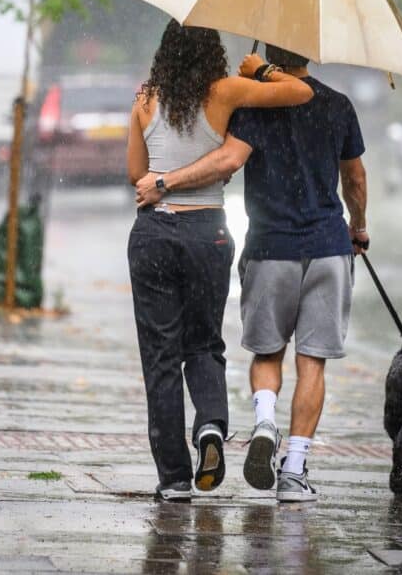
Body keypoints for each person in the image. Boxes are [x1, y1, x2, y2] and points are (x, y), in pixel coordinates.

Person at [136, 43, 368, 503]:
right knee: (312, 362)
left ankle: (264, 422)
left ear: (267, 53)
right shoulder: (339, 105)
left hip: (270, 246)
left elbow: (229, 159)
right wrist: (357, 227)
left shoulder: (253, 103)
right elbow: (355, 179)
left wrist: (168, 180)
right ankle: (295, 470)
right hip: (327, 245)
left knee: (267, 354)